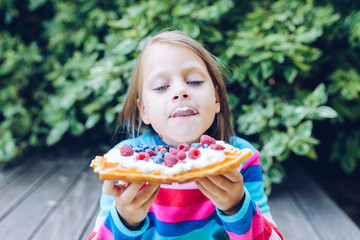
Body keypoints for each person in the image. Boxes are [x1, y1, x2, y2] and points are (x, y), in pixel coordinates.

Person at [87, 30, 283, 240]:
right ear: (144, 110)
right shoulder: (123, 165)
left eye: (195, 82)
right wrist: (125, 220)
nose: (180, 91)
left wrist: (237, 208)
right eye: (162, 86)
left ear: (216, 98)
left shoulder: (241, 159)